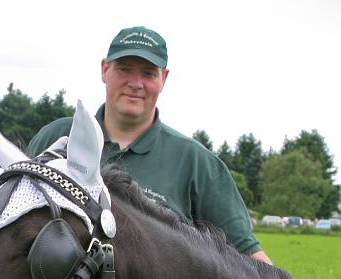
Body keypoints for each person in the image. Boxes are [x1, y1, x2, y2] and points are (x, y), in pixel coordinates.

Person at [28, 26, 272, 264]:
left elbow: (248, 259)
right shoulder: (57, 137)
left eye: (148, 73)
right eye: (124, 69)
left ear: (163, 78)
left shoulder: (196, 163)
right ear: (105, 70)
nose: (136, 83)